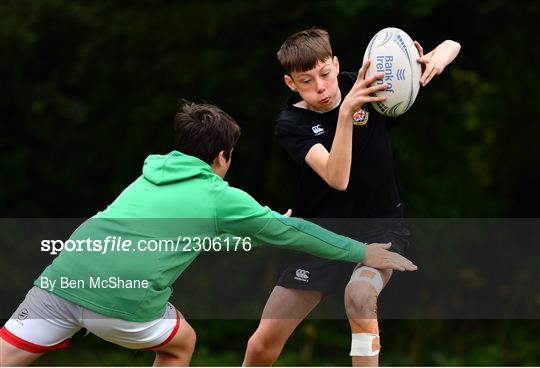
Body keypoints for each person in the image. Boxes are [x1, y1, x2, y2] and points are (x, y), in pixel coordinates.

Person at [0, 102, 417, 367]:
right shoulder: (218, 194)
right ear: (222, 157)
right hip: (122, 299)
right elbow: (289, 233)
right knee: (182, 344)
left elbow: (195, 230)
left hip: (61, 280)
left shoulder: (147, 177)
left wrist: (258, 223)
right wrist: (361, 250)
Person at [243, 28, 460, 366]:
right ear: (291, 84)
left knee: (359, 296)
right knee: (261, 347)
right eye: (306, 81)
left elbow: (452, 43)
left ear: (336, 64)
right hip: (322, 236)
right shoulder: (291, 123)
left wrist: (434, 60)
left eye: (326, 74)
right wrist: (346, 115)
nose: (321, 87)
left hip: (379, 231)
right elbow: (336, 177)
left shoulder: (361, 83)